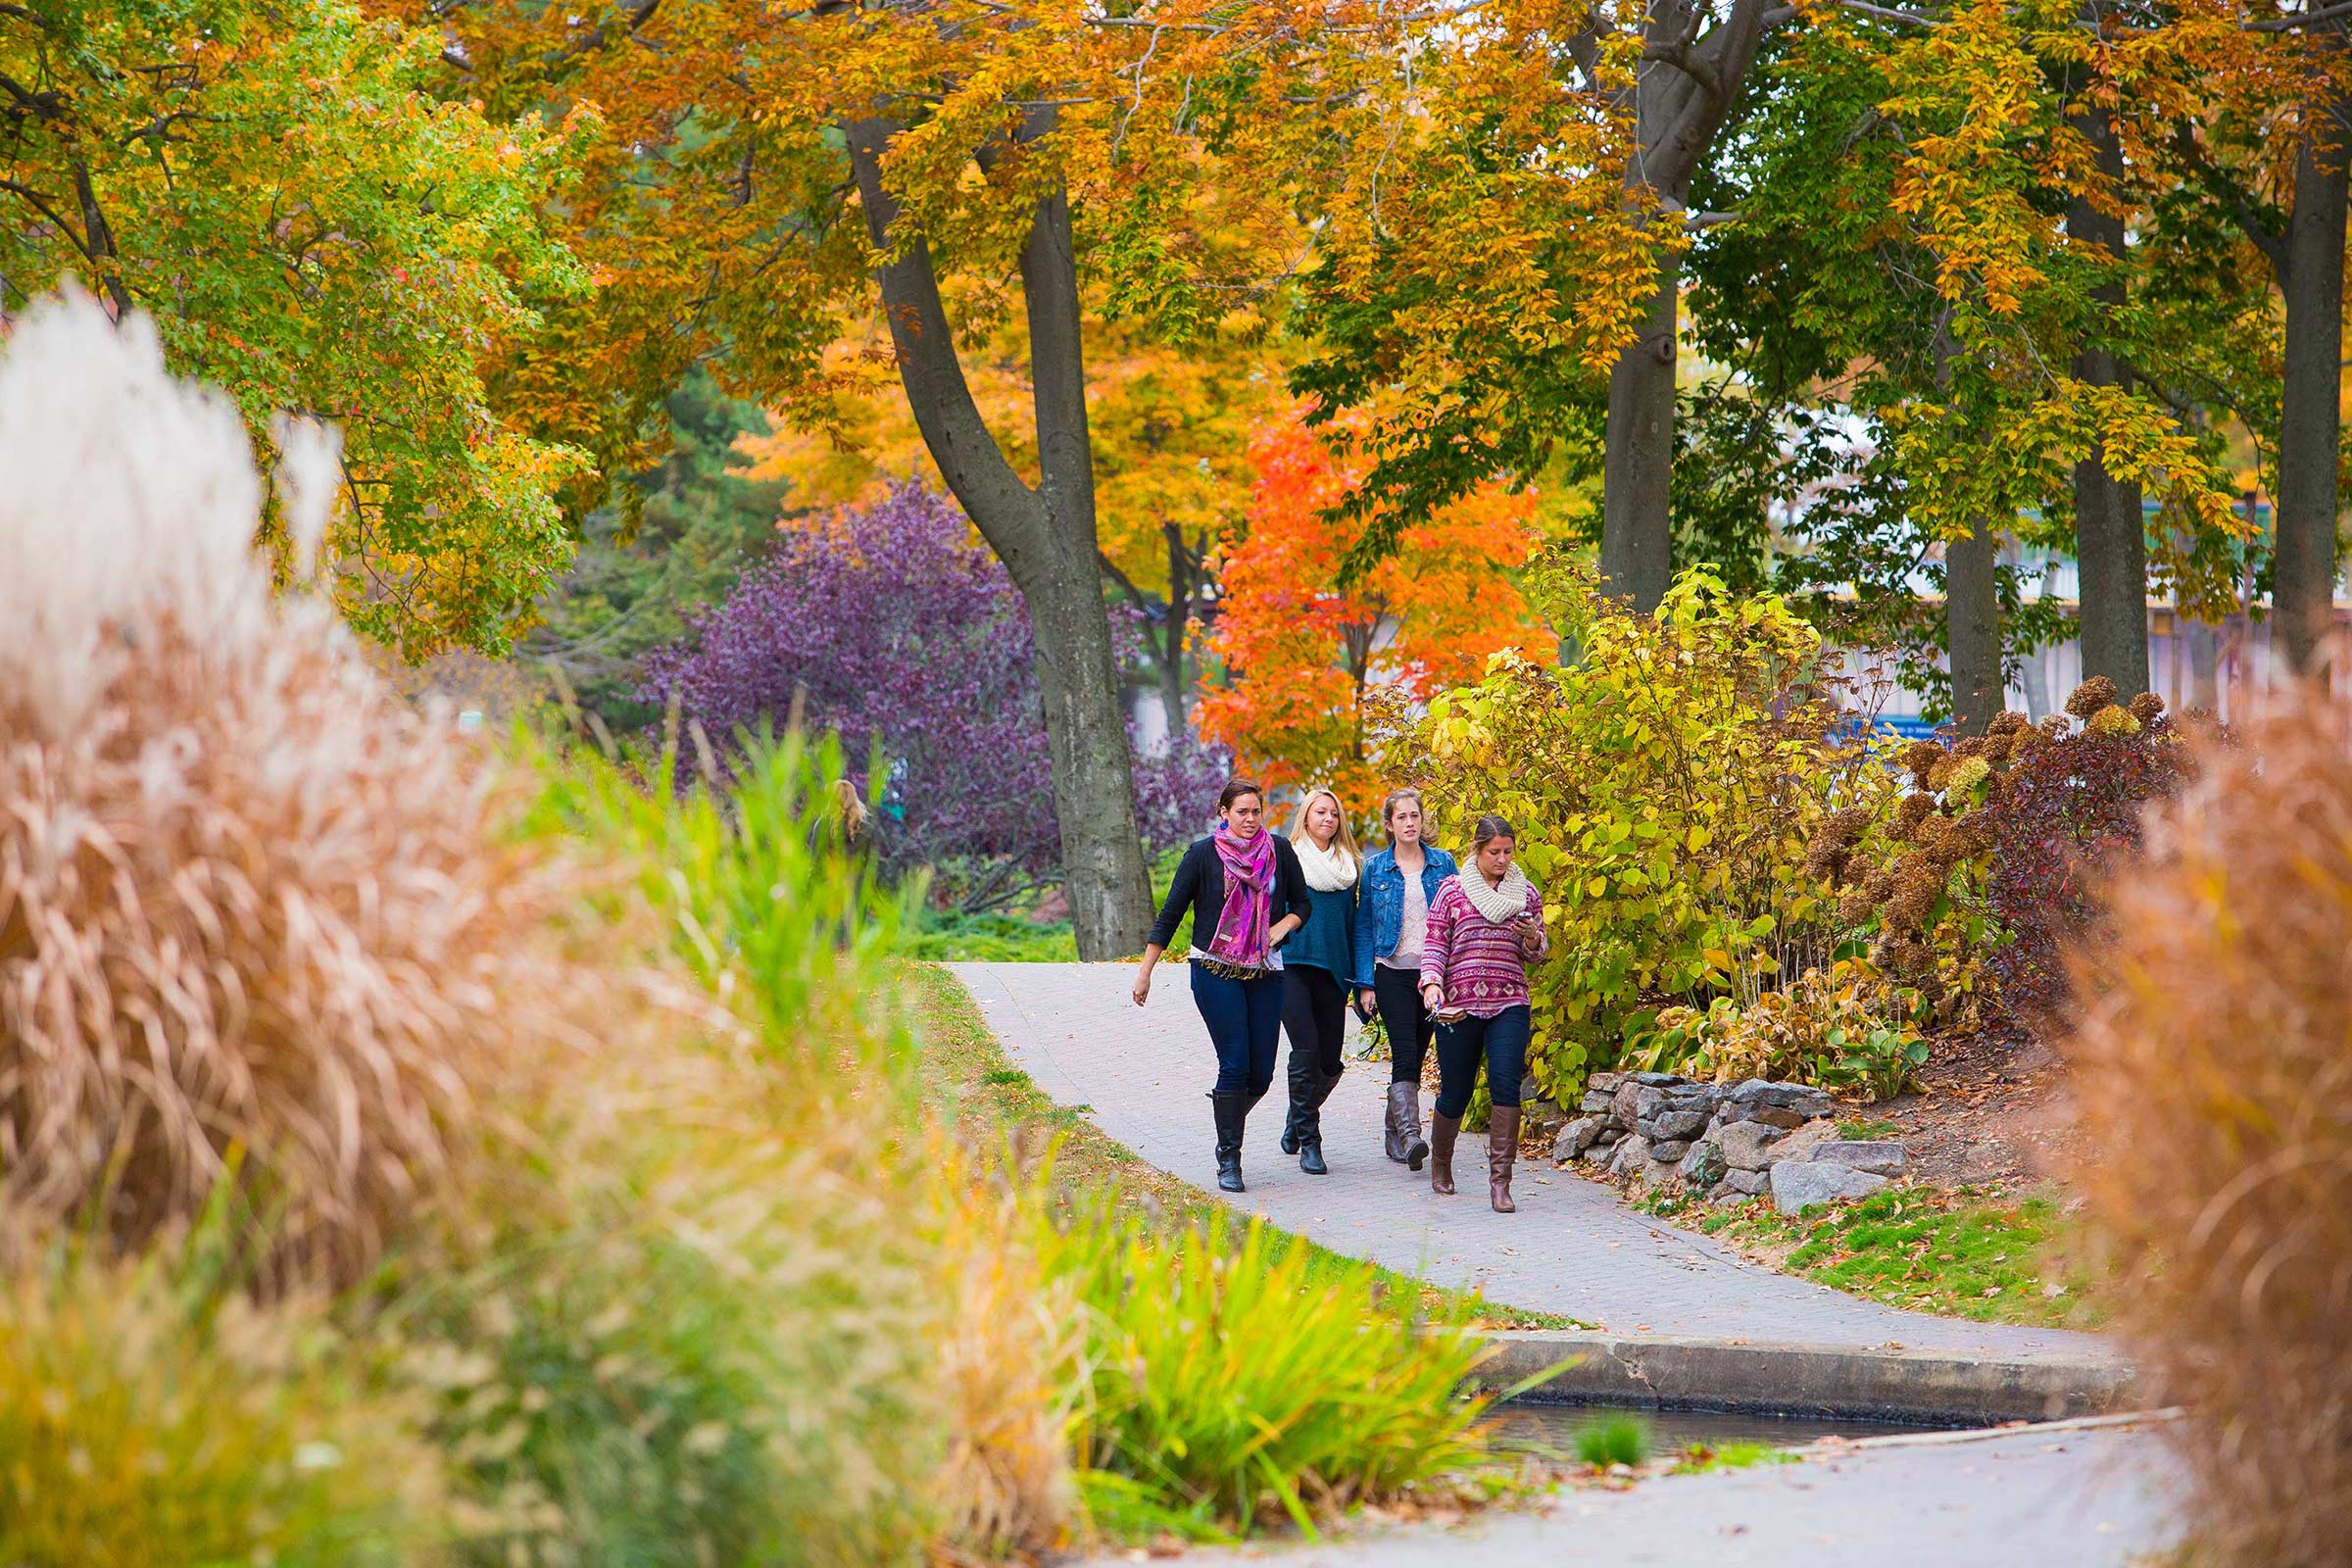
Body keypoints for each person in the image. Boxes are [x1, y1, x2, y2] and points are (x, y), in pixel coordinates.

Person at [1131, 778, 1311, 1193]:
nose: (1250, 819)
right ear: (1223, 812)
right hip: (1214, 969)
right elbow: (1171, 913)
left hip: (1267, 969)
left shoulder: (1279, 851)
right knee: (1234, 1063)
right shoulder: (1202, 855)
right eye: (1242, 811)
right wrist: (1146, 972)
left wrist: (1281, 926)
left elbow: (1302, 903)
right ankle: (1229, 1158)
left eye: (1256, 811)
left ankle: (1226, 1113)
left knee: (1261, 1074)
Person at [1420, 813, 1547, 1212]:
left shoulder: (1525, 894)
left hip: (1509, 1001)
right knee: (1455, 1091)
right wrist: (1431, 982)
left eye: (1508, 852)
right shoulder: (1452, 891)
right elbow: (1435, 942)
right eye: (1495, 852)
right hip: (1459, 1006)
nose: (1502, 859)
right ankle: (1441, 1164)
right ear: (1477, 849)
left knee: (1505, 1085)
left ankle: (1501, 1183)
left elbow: (1538, 954)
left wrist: (1533, 938)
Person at [1351, 789, 1457, 1174]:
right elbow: (1363, 927)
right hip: (1391, 971)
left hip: (1432, 974)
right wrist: (1365, 983)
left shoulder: (1444, 864)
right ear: (1389, 824)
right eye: (1402, 817)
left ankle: (1393, 1132)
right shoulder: (1376, 868)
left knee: (1418, 1045)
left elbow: (1456, 919)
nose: (1410, 823)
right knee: (1405, 1052)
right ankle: (1412, 1136)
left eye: (1415, 816)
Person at [1276, 786, 1361, 1177]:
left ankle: (1296, 1118)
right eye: (1320, 812)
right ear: (1306, 817)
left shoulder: (1350, 866)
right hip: (1292, 965)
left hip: (1334, 971)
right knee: (1306, 1051)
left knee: (1329, 1062)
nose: (1328, 819)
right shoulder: (1287, 859)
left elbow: (1355, 925)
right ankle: (1311, 1142)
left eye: (1333, 814)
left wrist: (1362, 980)